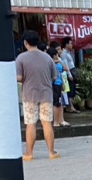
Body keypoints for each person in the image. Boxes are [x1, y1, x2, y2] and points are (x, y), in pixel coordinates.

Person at [16, 29, 59, 160]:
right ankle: (52, 152)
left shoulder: (21, 58)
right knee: (47, 123)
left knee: (31, 124)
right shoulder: (47, 57)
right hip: (46, 94)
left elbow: (19, 77)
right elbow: (54, 76)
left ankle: (29, 153)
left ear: (25, 43)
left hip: (29, 95)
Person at [49, 43, 69, 127]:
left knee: (60, 103)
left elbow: (65, 69)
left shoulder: (58, 62)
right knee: (56, 103)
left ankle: (60, 120)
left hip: (60, 83)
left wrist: (59, 61)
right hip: (55, 84)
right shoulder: (51, 63)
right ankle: (56, 121)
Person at [60, 36, 80, 113]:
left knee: (72, 89)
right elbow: (66, 65)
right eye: (70, 43)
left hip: (72, 71)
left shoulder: (68, 53)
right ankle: (70, 107)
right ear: (66, 44)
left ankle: (71, 106)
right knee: (70, 90)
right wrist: (69, 75)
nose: (72, 45)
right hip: (69, 72)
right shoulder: (64, 54)